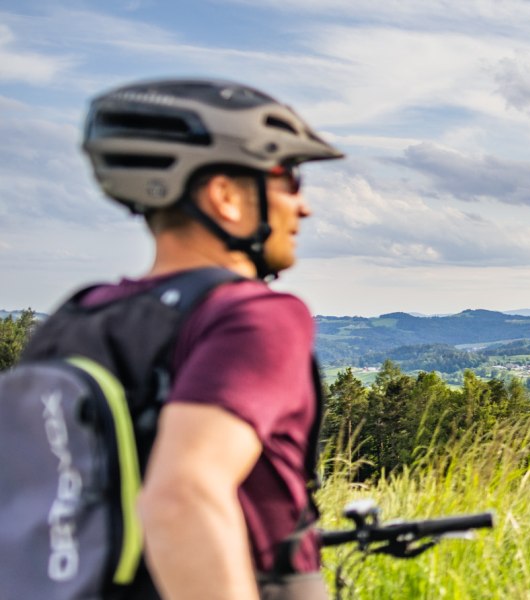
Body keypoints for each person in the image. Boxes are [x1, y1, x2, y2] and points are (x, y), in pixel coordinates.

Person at [75, 79, 342, 599]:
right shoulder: (254, 316)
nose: (302, 207)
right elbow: (182, 496)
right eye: (288, 179)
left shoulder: (81, 315)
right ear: (225, 196)